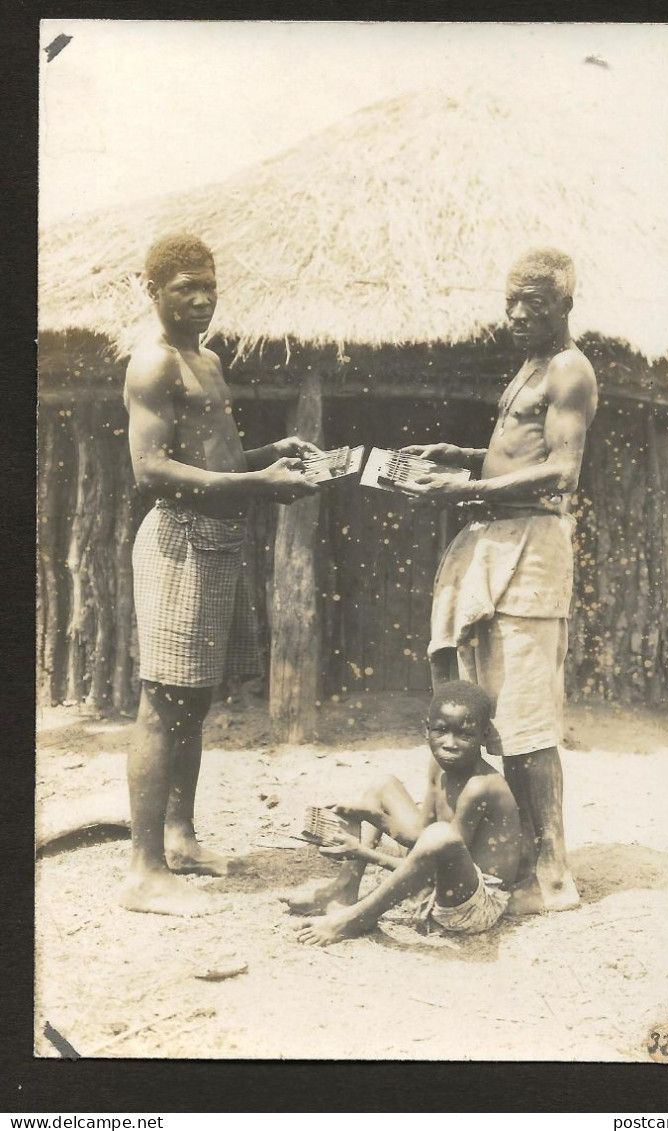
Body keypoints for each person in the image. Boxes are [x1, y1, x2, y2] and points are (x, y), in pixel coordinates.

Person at [123, 233, 320, 916]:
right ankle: (144, 871)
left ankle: (179, 838)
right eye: (185, 287)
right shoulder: (153, 365)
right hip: (178, 538)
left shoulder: (204, 359)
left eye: (209, 284)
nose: (202, 298)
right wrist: (258, 481)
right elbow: (151, 470)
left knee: (194, 701)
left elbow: (217, 455)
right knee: (162, 700)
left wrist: (270, 454)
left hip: (216, 538)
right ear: (153, 291)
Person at [400, 247, 598, 916]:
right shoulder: (531, 366)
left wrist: (471, 488)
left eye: (534, 304)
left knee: (527, 720)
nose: (517, 313)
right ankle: (515, 857)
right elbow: (517, 450)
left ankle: (554, 873)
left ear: (565, 305)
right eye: (511, 300)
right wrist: (458, 459)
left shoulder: (570, 370)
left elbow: (561, 471)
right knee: (497, 712)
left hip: (531, 548)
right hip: (496, 541)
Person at [284, 681, 521, 946]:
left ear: (485, 734)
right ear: (427, 729)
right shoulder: (438, 765)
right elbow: (419, 836)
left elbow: (434, 868)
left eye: (464, 735)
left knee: (441, 834)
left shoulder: (480, 786)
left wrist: (364, 853)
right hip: (441, 873)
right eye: (441, 731)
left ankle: (357, 918)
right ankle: (344, 890)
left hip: (472, 905)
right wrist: (370, 814)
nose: (450, 744)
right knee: (383, 785)